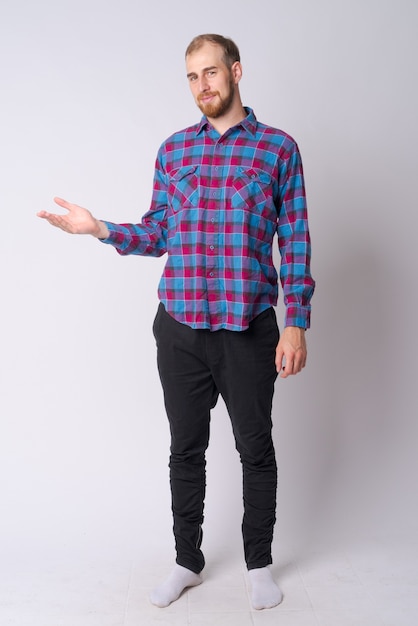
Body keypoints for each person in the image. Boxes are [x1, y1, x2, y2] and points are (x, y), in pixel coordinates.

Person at [37, 33, 315, 611]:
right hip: (180, 327)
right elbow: (158, 231)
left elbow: (296, 241)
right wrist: (101, 229)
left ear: (236, 72)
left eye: (211, 73)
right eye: (192, 77)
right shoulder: (173, 152)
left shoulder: (278, 151)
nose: (202, 86)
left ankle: (258, 565)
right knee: (185, 449)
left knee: (254, 449)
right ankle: (187, 561)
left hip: (248, 327)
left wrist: (296, 323)